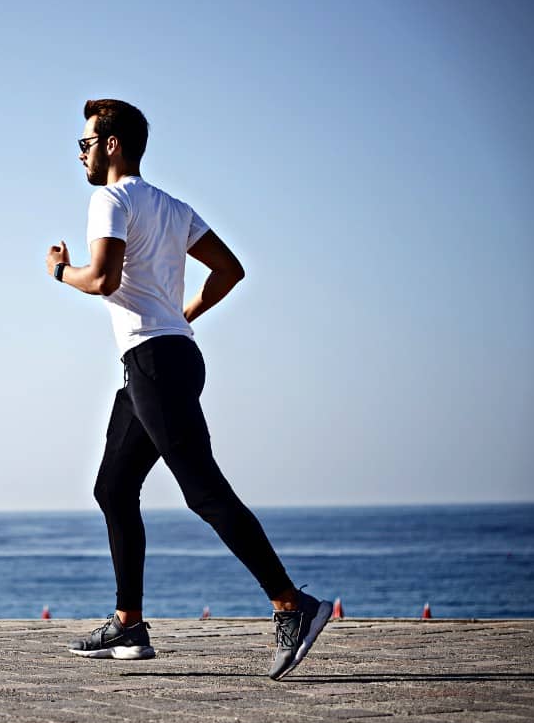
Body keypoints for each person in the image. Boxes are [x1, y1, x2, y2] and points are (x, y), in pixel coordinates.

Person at [45, 99, 332, 680]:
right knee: (114, 488)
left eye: (84, 143)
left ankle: (292, 605)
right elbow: (230, 270)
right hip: (161, 358)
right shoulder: (173, 208)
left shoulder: (110, 199)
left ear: (112, 145)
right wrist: (183, 313)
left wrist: (60, 271)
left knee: (203, 491)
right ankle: (129, 625)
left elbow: (102, 279)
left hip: (155, 363)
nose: (79, 154)